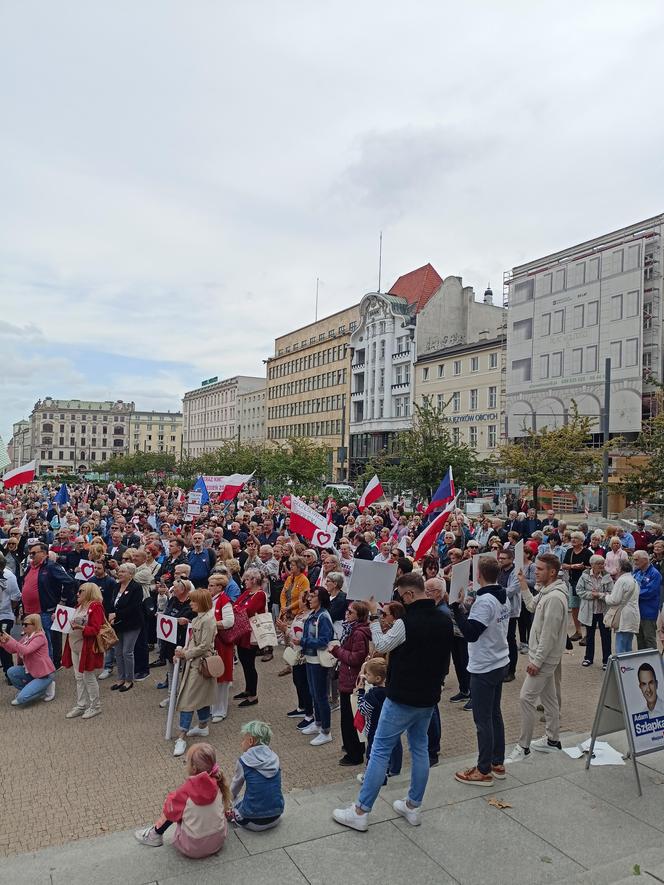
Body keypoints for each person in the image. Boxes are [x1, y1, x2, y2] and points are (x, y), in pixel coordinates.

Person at [333, 573, 453, 832]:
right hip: (428, 695)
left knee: (379, 750)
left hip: (402, 697)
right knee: (420, 748)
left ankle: (360, 811)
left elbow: (383, 643)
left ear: (409, 594)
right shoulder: (444, 619)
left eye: (401, 595)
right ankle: (413, 806)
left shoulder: (406, 622)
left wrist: (376, 616)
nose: (400, 599)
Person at [451, 556, 510, 786]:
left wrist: (457, 609)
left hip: (485, 665)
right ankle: (497, 761)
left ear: (479, 575)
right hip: (498, 659)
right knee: (494, 714)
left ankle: (483, 769)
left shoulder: (485, 601)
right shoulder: (500, 595)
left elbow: (471, 633)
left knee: (482, 719)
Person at [505, 554, 568, 764]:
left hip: (544, 659)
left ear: (552, 572)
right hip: (543, 657)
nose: (536, 572)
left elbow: (549, 635)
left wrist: (536, 662)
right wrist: (523, 584)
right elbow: (531, 606)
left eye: (540, 569)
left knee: (526, 698)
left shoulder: (554, 598)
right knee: (549, 699)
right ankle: (553, 740)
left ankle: (523, 747)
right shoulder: (546, 592)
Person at [135, 742, 231, 857]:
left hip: (192, 847)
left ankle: (154, 835)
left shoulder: (185, 791)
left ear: (194, 768)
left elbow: (170, 812)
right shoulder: (218, 783)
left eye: (186, 762)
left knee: (174, 807)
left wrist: (172, 798)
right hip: (217, 842)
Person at [173, 588, 218, 757]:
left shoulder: (207, 620)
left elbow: (204, 645)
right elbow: (193, 640)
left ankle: (182, 735)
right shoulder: (200, 617)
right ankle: (203, 725)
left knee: (188, 698)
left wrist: (186, 654)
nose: (190, 603)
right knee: (200, 695)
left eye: (193, 601)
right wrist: (183, 652)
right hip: (195, 663)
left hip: (200, 663)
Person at [23, 541, 76, 677]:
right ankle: (37, 671)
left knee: (46, 644)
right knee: (33, 643)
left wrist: (63, 601)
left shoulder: (52, 567)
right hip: (30, 613)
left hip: (45, 612)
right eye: (30, 553)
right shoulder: (30, 567)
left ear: (44, 554)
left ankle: (48, 675)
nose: (31, 556)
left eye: (34, 553)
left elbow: (69, 581)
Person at [329, 600, 371, 766]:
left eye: (351, 612)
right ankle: (352, 747)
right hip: (348, 678)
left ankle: (354, 754)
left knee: (349, 719)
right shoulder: (351, 630)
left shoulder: (358, 633)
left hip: (352, 680)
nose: (347, 614)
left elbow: (355, 658)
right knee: (349, 717)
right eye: (347, 611)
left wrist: (337, 651)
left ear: (359, 616)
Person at [230, 720, 285, 831]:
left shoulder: (243, 761)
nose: (242, 743)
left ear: (251, 741)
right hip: (277, 815)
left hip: (253, 821)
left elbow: (234, 789)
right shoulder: (274, 758)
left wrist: (227, 801)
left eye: (243, 739)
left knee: (236, 802)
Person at [61, 582, 104, 719]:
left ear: (89, 592)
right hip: (74, 645)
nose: (77, 594)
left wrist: (81, 628)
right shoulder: (79, 606)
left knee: (88, 677)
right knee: (78, 677)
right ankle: (81, 705)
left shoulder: (95, 606)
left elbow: (96, 629)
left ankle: (95, 706)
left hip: (86, 647)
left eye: (81, 591)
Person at [298, 586, 335, 746]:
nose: (309, 599)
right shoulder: (313, 614)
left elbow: (323, 641)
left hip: (319, 662)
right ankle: (318, 722)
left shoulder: (323, 617)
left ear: (320, 599)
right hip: (310, 658)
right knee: (314, 693)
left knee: (321, 696)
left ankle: (326, 731)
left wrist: (303, 642)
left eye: (312, 596)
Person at [0, 613, 56, 705]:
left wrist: (10, 639)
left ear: (35, 625)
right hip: (31, 671)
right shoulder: (27, 637)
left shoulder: (40, 637)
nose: (23, 626)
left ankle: (43, 688)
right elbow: (14, 650)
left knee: (21, 699)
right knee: (11, 671)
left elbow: (26, 650)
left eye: (26, 624)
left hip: (44, 674)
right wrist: (4, 643)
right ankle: (34, 689)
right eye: (23, 624)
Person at [233, 567, 268, 708]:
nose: (244, 582)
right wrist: (237, 609)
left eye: (247, 579)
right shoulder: (247, 593)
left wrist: (237, 609)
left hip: (251, 633)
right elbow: (236, 605)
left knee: (249, 664)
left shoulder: (260, 594)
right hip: (243, 632)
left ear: (254, 580)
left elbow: (248, 610)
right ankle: (248, 689)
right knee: (244, 662)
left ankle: (253, 695)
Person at [156, 577, 194, 707]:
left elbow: (195, 620)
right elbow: (167, 612)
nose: (172, 589)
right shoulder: (173, 599)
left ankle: (185, 697)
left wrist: (187, 621)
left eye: (175, 587)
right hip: (169, 639)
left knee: (186, 671)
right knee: (171, 670)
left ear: (183, 590)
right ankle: (171, 696)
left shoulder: (192, 603)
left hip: (184, 641)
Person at [108, 562, 144, 692]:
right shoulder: (116, 586)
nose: (120, 573)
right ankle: (120, 678)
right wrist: (111, 615)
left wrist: (116, 614)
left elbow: (134, 608)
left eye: (123, 572)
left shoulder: (136, 587)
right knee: (118, 652)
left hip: (132, 624)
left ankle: (129, 680)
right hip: (117, 624)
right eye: (119, 571)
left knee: (127, 652)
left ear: (131, 574)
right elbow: (112, 603)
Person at [576, 556, 613, 669]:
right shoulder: (584, 576)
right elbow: (579, 590)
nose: (602, 566)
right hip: (589, 610)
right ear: (592, 565)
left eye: (603, 563)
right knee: (590, 635)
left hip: (603, 611)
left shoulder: (607, 576)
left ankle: (607, 660)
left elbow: (611, 593)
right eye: (599, 564)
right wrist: (591, 595)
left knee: (606, 636)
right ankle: (588, 658)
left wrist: (600, 595)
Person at [208, 571, 234, 722]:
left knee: (221, 677)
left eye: (211, 585)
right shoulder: (211, 599)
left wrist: (211, 624)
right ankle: (213, 706)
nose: (209, 588)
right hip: (212, 642)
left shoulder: (224, 600)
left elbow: (229, 622)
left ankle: (220, 710)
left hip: (222, 643)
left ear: (219, 587)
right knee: (212, 674)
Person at [605, 560, 640, 653]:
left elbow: (614, 600)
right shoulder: (634, 579)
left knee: (620, 646)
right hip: (633, 614)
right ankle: (628, 666)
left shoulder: (621, 580)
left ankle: (621, 667)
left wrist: (606, 596)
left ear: (620, 568)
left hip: (623, 615)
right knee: (628, 645)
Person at [496, 548, 521, 682]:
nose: (500, 560)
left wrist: (494, 590)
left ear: (511, 560)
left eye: (503, 558)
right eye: (500, 558)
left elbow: (511, 591)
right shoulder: (498, 570)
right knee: (500, 639)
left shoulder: (516, 573)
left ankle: (511, 671)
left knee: (510, 639)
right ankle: (502, 668)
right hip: (498, 609)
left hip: (510, 611)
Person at [562, 532, 591, 641]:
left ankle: (588, 634)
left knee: (586, 608)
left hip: (585, 584)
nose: (573, 540)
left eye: (576, 538)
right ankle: (578, 631)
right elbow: (563, 565)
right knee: (574, 607)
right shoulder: (569, 551)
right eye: (572, 538)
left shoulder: (587, 553)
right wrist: (572, 566)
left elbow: (592, 567)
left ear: (582, 541)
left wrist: (583, 567)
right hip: (573, 582)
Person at [632, 550, 661, 650]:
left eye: (636, 559)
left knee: (649, 638)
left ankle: (653, 664)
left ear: (645, 560)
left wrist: (633, 594)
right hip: (636, 610)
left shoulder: (655, 574)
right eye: (633, 559)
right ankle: (643, 663)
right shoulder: (636, 572)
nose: (634, 562)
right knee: (639, 638)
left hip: (648, 611)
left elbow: (650, 591)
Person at [0, 553, 21, 681]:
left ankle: (9, 673)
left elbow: (15, 597)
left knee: (4, 644)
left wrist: (8, 608)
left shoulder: (9, 576)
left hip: (4, 615)